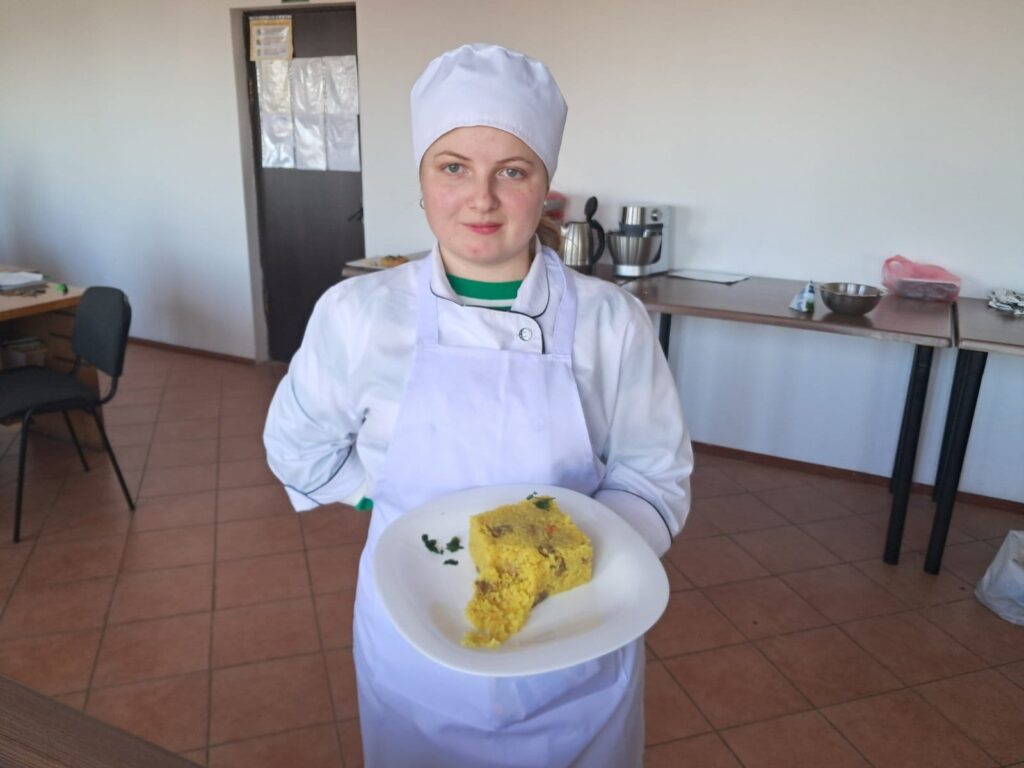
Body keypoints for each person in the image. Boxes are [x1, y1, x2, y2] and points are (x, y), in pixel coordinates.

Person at [263, 43, 693, 768]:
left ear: (545, 186)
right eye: (453, 167)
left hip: (575, 647)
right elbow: (297, 447)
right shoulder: (358, 313)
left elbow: (654, 475)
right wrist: (387, 503)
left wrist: (574, 564)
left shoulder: (610, 319)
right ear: (422, 181)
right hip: (415, 644)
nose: (482, 198)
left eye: (512, 171)